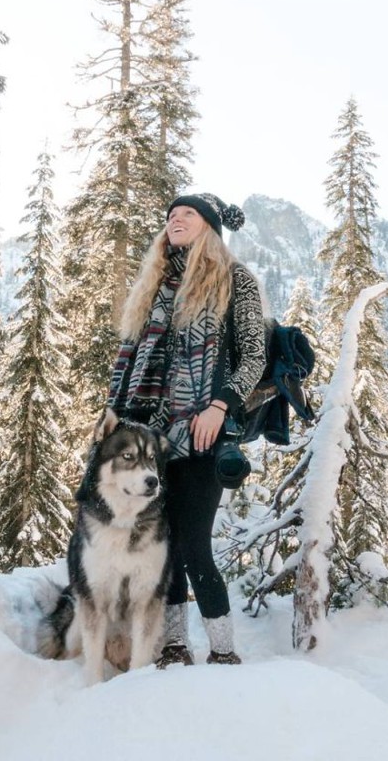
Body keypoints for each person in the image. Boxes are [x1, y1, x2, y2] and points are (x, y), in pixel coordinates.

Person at [106, 192, 266, 666]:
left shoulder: (235, 279)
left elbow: (253, 356)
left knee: (193, 541)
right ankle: (175, 645)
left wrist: (220, 405)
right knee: (162, 543)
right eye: (171, 215)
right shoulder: (156, 284)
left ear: (210, 228)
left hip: (201, 432)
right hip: (147, 438)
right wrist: (115, 415)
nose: (175, 220)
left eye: (187, 215)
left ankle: (224, 651)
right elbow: (130, 356)